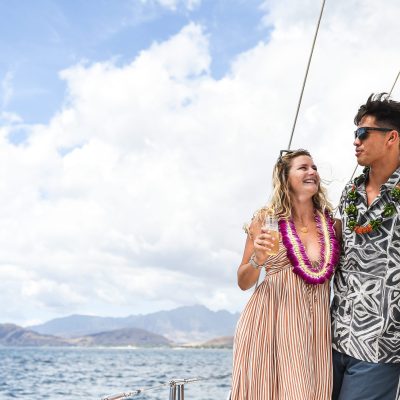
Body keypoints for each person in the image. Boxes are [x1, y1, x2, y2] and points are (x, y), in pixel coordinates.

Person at [231, 149, 340, 400]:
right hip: (269, 324)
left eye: (314, 168)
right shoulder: (266, 220)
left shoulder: (331, 225)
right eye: (303, 168)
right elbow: (243, 282)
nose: (312, 172)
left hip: (314, 330)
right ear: (285, 177)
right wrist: (258, 260)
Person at [331, 93, 400, 400]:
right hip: (332, 338)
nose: (356, 141)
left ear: (392, 137)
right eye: (354, 134)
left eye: (363, 133)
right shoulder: (350, 191)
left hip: (380, 346)